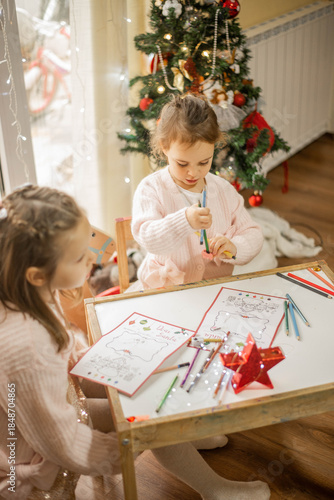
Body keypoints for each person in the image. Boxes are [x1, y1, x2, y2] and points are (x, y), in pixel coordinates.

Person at [0, 185, 270, 500]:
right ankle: (209, 483)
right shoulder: (27, 349)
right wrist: (125, 450)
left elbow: (63, 346)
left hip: (59, 404)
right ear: (36, 274)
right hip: (33, 469)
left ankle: (179, 435)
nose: (93, 258)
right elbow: (60, 441)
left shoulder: (23, 292)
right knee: (148, 420)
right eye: (77, 257)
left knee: (149, 392)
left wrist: (106, 358)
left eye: (87, 243)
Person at [130, 93, 264, 291]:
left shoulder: (223, 191)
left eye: (204, 162)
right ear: (164, 147)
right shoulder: (151, 189)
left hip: (214, 291)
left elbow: (253, 234)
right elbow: (149, 239)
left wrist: (234, 247)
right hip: (166, 291)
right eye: (182, 163)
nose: (193, 173)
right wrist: (184, 221)